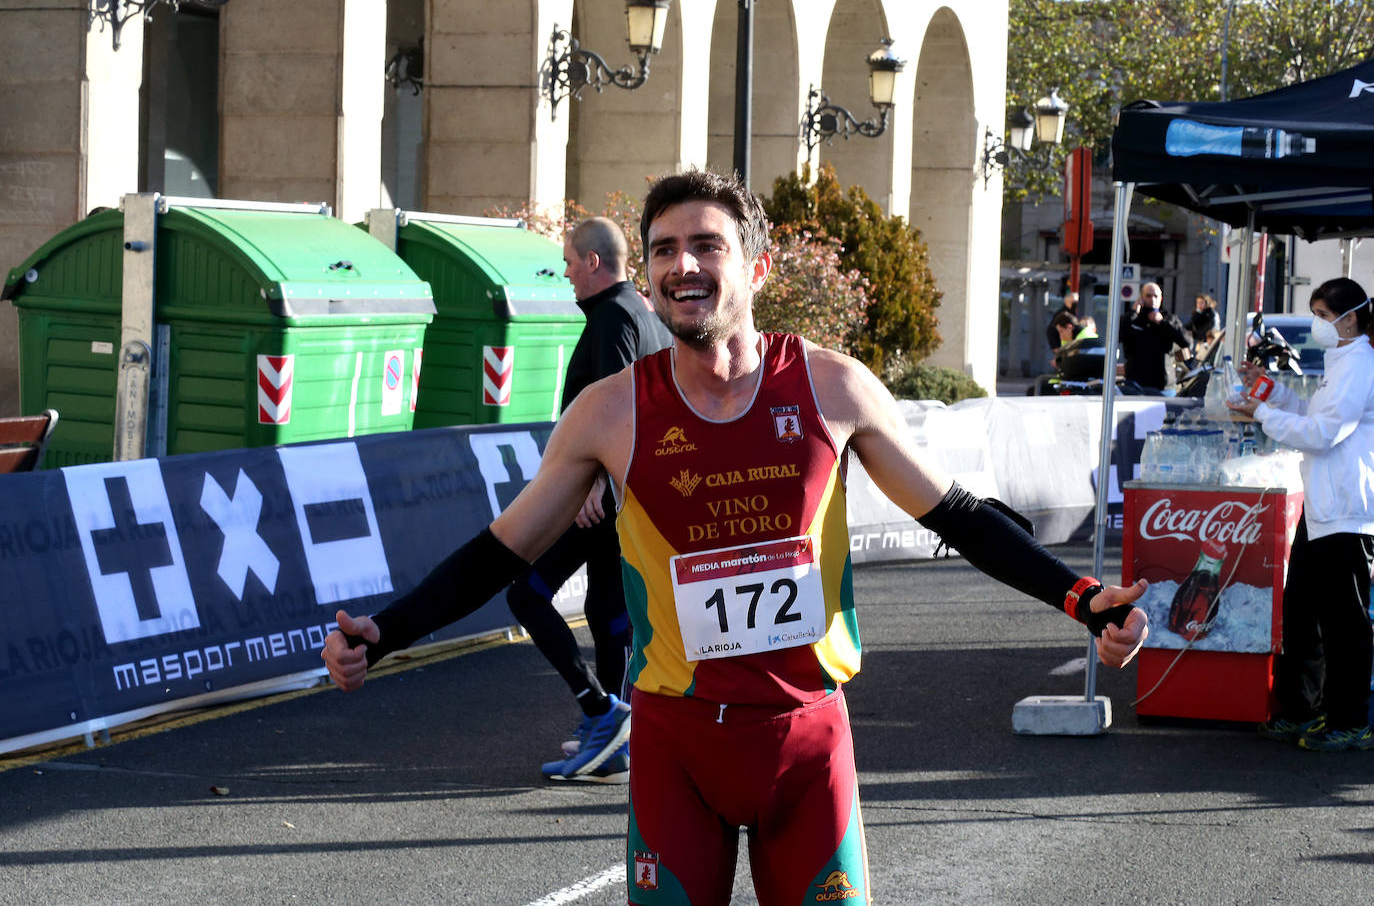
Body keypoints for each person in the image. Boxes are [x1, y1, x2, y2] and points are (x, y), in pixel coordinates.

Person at [322, 169, 1149, 903]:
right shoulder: (608, 413)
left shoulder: (832, 387)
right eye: (664, 250)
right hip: (677, 745)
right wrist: (384, 633)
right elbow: (503, 551)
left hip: (807, 740)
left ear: (756, 268)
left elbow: (958, 516)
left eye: (706, 246)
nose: (683, 265)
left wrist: (1082, 598)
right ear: (647, 281)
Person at [507, 216, 671, 783]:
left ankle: (603, 712)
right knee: (607, 612)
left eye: (570, 263)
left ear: (594, 262)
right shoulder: (645, 314)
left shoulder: (612, 318)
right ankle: (616, 737)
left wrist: (595, 483)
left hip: (602, 497)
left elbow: (618, 412)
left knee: (526, 593)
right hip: (628, 496)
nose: (567, 274)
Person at [1230, 277, 1374, 752]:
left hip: (1346, 511)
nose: (1317, 324)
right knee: (1302, 612)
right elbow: (1312, 413)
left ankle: (1350, 720)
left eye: (1322, 315)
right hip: (1324, 506)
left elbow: (1323, 433)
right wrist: (1269, 393)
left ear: (1349, 319)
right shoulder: (1342, 361)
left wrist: (1261, 413)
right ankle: (1301, 709)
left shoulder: (1360, 364)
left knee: (1344, 623)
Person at [1120, 281, 1189, 391]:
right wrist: (1133, 312)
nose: (1152, 299)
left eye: (1156, 296)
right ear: (1141, 298)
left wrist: (1162, 323)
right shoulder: (1134, 320)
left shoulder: (1169, 319)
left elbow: (1186, 341)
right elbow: (1118, 336)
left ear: (1161, 299)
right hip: (1136, 384)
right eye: (1148, 296)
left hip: (1163, 386)